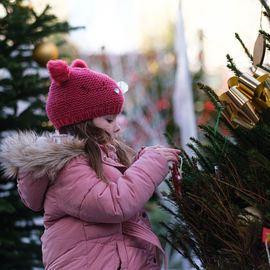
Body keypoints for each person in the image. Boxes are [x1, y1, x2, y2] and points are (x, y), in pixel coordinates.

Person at [0, 59, 180, 270]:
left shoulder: (96, 158)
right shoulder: (68, 167)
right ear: (83, 122)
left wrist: (140, 162)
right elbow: (115, 204)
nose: (117, 127)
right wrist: (150, 165)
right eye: (109, 120)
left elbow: (113, 190)